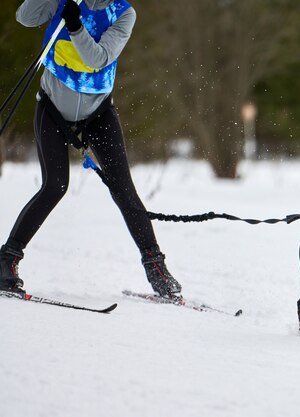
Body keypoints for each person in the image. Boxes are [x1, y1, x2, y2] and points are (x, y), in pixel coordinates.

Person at [0, 0, 182, 298]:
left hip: (99, 113)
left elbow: (97, 58)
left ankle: (156, 268)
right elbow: (25, 18)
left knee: (124, 187)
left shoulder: (123, 13)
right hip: (52, 109)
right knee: (55, 186)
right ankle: (7, 260)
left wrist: (75, 25)